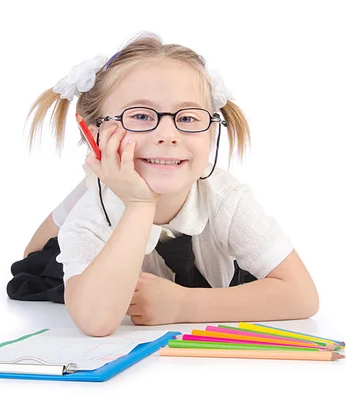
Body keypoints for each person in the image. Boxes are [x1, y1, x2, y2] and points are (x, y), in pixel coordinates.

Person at [22, 32, 319, 336]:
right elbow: (96, 321)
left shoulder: (224, 195)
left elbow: (303, 296)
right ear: (92, 133)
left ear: (212, 130)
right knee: (36, 256)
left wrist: (184, 305)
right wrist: (139, 204)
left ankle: (104, 171)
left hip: (185, 264)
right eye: (139, 115)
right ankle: (95, 178)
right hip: (84, 260)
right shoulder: (89, 217)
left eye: (188, 118)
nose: (168, 134)